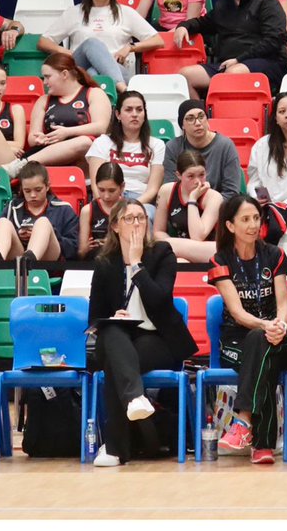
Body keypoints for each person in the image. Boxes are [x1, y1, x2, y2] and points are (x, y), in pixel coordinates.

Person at [89, 200, 198, 466]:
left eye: (141, 218)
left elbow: (160, 299)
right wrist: (115, 316)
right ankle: (135, 397)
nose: (137, 223)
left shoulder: (161, 253)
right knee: (113, 333)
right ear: (115, 226)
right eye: (129, 219)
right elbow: (94, 317)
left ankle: (115, 449)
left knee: (117, 363)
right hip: (120, 337)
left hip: (157, 339)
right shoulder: (105, 263)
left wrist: (137, 265)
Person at [207, 195, 287, 464]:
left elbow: (283, 303)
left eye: (256, 218)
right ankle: (262, 445)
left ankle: (243, 424)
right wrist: (266, 325)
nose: (253, 224)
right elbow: (237, 312)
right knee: (262, 352)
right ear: (230, 226)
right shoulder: (219, 260)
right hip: (237, 339)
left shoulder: (275, 255)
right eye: (245, 219)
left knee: (264, 348)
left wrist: (279, 324)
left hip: (276, 334)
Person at [173, 0, 287, 98]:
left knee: (233, 73)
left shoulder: (268, 4)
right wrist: (183, 26)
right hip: (228, 65)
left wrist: (239, 59)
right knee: (184, 76)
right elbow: (202, 23)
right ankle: (201, 117)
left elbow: (274, 40)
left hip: (267, 64)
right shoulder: (223, 6)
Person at [39, 0, 162, 90]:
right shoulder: (74, 12)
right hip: (79, 71)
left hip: (115, 68)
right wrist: (64, 52)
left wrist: (130, 47)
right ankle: (123, 89)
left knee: (94, 71)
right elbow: (43, 41)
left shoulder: (126, 12)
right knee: (92, 44)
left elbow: (157, 40)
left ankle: (106, 99)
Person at [0, 53, 111, 178]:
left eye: (48, 77)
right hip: (47, 154)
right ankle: (24, 165)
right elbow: (32, 137)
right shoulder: (43, 100)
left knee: (86, 142)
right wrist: (39, 138)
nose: (45, 82)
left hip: (83, 157)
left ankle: (23, 165)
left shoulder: (93, 93)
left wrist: (67, 132)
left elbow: (101, 127)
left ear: (64, 74)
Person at [86, 90, 165, 215]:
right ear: (118, 114)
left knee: (148, 214)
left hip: (140, 200)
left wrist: (130, 207)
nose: (135, 114)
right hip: (108, 197)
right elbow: (97, 185)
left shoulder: (156, 145)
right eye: (128, 110)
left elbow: (153, 189)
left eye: (139, 110)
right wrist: (107, 205)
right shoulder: (102, 142)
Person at [0, 161, 79, 263]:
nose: (33, 195)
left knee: (43, 223)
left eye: (38, 190)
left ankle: (30, 259)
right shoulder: (13, 207)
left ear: (47, 186)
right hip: (18, 256)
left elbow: (74, 248)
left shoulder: (63, 208)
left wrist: (48, 234)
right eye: (27, 191)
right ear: (22, 189)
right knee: (3, 222)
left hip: (49, 258)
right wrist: (18, 235)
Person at [161, 99, 244, 198]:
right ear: (182, 125)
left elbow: (231, 192)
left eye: (201, 116)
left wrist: (209, 206)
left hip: (219, 206)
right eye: (190, 118)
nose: (198, 123)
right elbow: (171, 188)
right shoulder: (173, 147)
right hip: (184, 205)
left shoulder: (225, 146)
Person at [154, 150, 223, 263]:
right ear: (178, 175)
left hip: (208, 249)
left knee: (166, 245)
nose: (197, 181)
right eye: (190, 176)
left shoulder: (214, 197)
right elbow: (158, 231)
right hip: (180, 252)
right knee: (179, 262)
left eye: (201, 175)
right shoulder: (166, 191)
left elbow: (198, 237)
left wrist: (192, 200)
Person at [80, 163, 126, 260]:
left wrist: (111, 244)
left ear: (122, 187)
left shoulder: (129, 208)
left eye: (112, 190)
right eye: (101, 190)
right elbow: (81, 252)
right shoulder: (88, 210)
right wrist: (86, 248)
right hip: (95, 260)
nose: (106, 196)